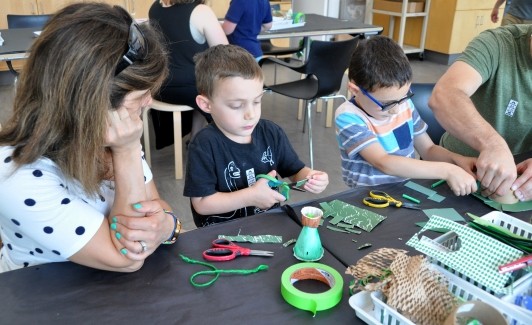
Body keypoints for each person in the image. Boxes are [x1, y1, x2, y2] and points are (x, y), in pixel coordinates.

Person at [0, 3, 181, 273]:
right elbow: (128, 258)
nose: (150, 101)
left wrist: (168, 226)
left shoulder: (113, 135)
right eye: (140, 96)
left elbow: (156, 209)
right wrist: (128, 151)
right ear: (89, 107)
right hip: (42, 301)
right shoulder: (15, 174)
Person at [184, 44, 329, 227]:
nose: (250, 114)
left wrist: (310, 177)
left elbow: (295, 171)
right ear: (206, 105)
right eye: (237, 106)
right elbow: (202, 204)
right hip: (221, 237)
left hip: (269, 225)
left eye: (257, 101)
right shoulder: (204, 145)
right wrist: (250, 197)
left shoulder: (271, 133)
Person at [335, 36, 478, 195]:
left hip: (403, 189)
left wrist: (458, 161)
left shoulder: (404, 105)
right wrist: (447, 170)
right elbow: (384, 162)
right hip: (368, 197)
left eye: (404, 97)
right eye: (387, 104)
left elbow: (429, 149)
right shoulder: (348, 116)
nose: (396, 110)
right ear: (355, 90)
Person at [429, 24, 532, 202]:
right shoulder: (497, 44)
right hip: (457, 171)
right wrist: (493, 145)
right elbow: (444, 95)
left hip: (518, 184)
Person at [149, 0, 228, 149]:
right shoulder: (201, 11)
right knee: (221, 92)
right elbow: (225, 53)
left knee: (204, 85)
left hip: (161, 87)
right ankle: (233, 147)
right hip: (189, 88)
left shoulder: (154, 8)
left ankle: (195, 138)